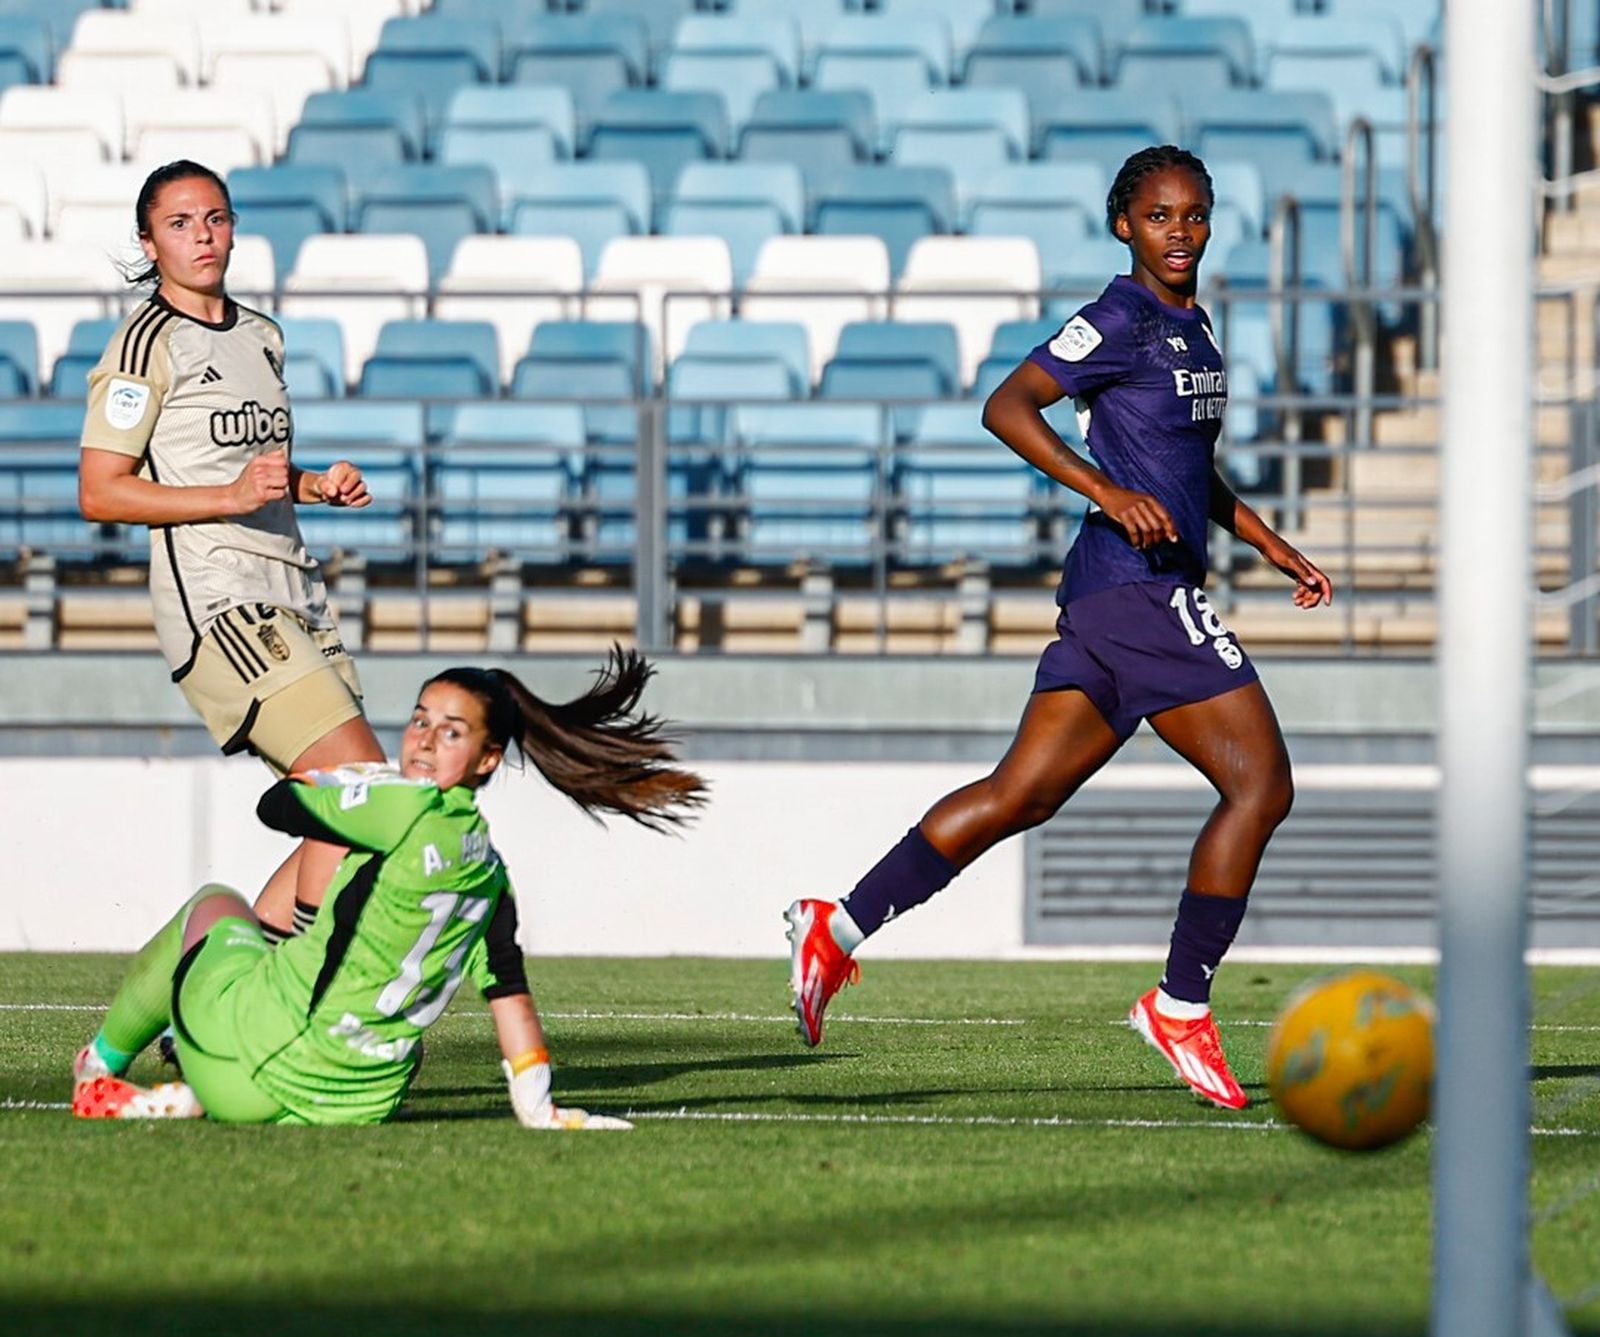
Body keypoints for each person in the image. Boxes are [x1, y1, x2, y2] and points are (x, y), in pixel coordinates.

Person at [784, 146, 1334, 1110]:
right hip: (1137, 592)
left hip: (1119, 593)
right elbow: (1008, 405)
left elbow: (1186, 472)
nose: (1180, 232)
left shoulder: (1195, 330)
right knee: (1261, 785)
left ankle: (841, 921)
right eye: (1159, 216)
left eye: (1195, 215)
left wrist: (1268, 542)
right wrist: (1104, 490)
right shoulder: (1118, 316)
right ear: (1124, 224)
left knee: (1019, 793)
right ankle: (1181, 1003)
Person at [69, 649, 707, 1128]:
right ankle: (203, 1083)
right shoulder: (490, 870)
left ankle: (99, 1069)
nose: (425, 739)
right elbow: (508, 993)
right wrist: (540, 1109)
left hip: (259, 1070)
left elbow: (277, 808)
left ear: (487, 759)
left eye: (450, 731)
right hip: (357, 1108)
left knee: (212, 906)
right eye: (420, 720)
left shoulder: (394, 803)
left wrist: (340, 783)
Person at [77, 159, 382, 943]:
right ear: (148, 242)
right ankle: (288, 1001)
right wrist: (230, 498)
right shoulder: (143, 345)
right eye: (178, 224)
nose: (201, 236)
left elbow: (259, 474)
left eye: (214, 218)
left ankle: (209, 997)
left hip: (296, 596)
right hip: (219, 607)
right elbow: (100, 491)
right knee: (364, 792)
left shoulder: (260, 335)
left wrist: (317, 485)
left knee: (350, 819)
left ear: (235, 227)